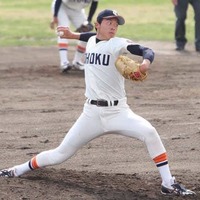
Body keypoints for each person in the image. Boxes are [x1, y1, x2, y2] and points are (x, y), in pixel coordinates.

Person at [0, 9, 196, 196]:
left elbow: (146, 49)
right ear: (98, 25)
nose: (113, 27)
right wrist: (72, 35)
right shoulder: (92, 40)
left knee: (150, 132)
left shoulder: (118, 43)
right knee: (60, 154)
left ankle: (168, 183)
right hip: (91, 114)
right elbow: (90, 38)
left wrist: (145, 63)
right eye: (109, 23)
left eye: (116, 24)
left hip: (119, 112)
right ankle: (16, 170)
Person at [50, 0, 99, 73]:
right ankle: (64, 62)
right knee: (63, 32)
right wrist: (55, 16)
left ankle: (77, 62)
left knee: (87, 34)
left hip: (77, 11)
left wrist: (88, 21)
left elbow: (94, 3)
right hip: (62, 7)